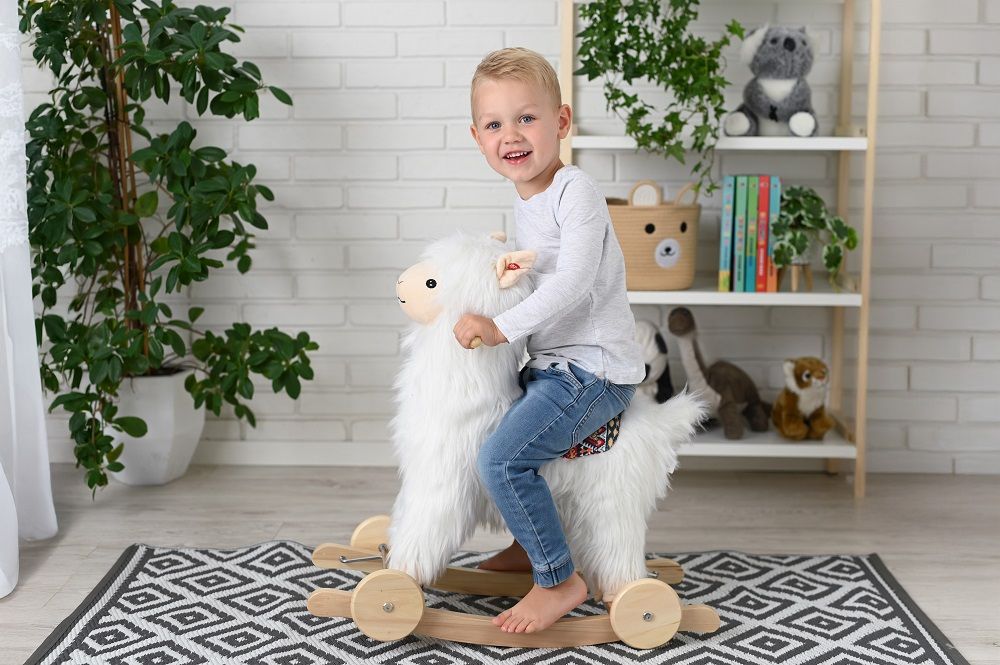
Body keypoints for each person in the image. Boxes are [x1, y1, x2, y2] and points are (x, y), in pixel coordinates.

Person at [453, 47, 645, 635]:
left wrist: (500, 327)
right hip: (555, 366)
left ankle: (558, 579)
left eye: (526, 118)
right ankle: (526, 542)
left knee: (503, 459)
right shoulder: (526, 199)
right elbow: (542, 274)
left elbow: (576, 280)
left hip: (594, 373)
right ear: (478, 138)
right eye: (494, 124)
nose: (511, 135)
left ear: (561, 122)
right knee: (485, 421)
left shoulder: (574, 190)